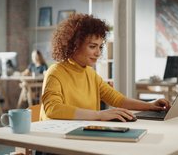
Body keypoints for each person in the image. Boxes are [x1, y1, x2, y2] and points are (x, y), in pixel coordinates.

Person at [40, 13, 170, 122]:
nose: (98, 53)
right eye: (92, 46)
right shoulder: (56, 72)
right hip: (53, 142)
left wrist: (150, 106)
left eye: (100, 47)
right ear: (74, 45)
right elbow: (53, 109)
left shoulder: (90, 73)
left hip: (80, 135)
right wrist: (99, 115)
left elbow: (117, 99)